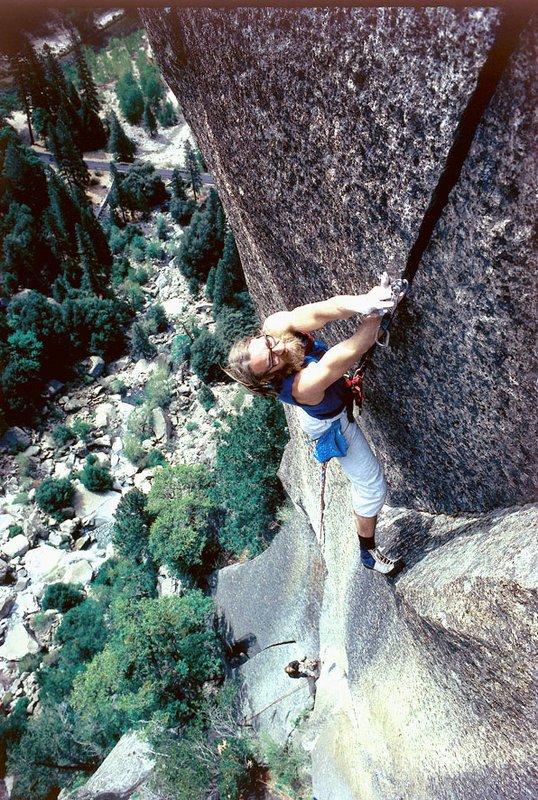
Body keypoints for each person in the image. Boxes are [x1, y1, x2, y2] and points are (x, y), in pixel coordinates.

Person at [224, 272, 403, 575]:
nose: (278, 350)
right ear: (269, 377)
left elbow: (324, 310)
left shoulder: (275, 329)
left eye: (268, 344)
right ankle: (368, 552)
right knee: (372, 486)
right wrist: (376, 315)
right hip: (330, 423)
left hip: (327, 402)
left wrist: (366, 302)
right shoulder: (300, 387)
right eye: (271, 361)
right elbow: (345, 353)